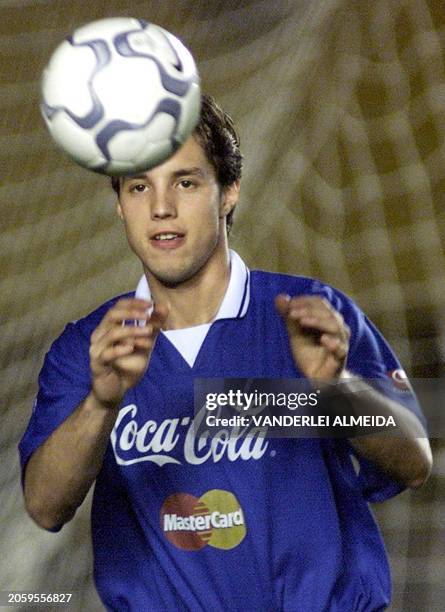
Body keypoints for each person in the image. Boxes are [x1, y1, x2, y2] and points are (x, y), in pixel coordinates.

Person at [20, 94, 432, 611]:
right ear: (120, 203)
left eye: (185, 182)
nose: (161, 207)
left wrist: (332, 390)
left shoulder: (311, 314)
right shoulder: (88, 346)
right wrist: (102, 403)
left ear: (229, 191)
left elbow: (414, 463)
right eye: (140, 185)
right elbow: (44, 506)